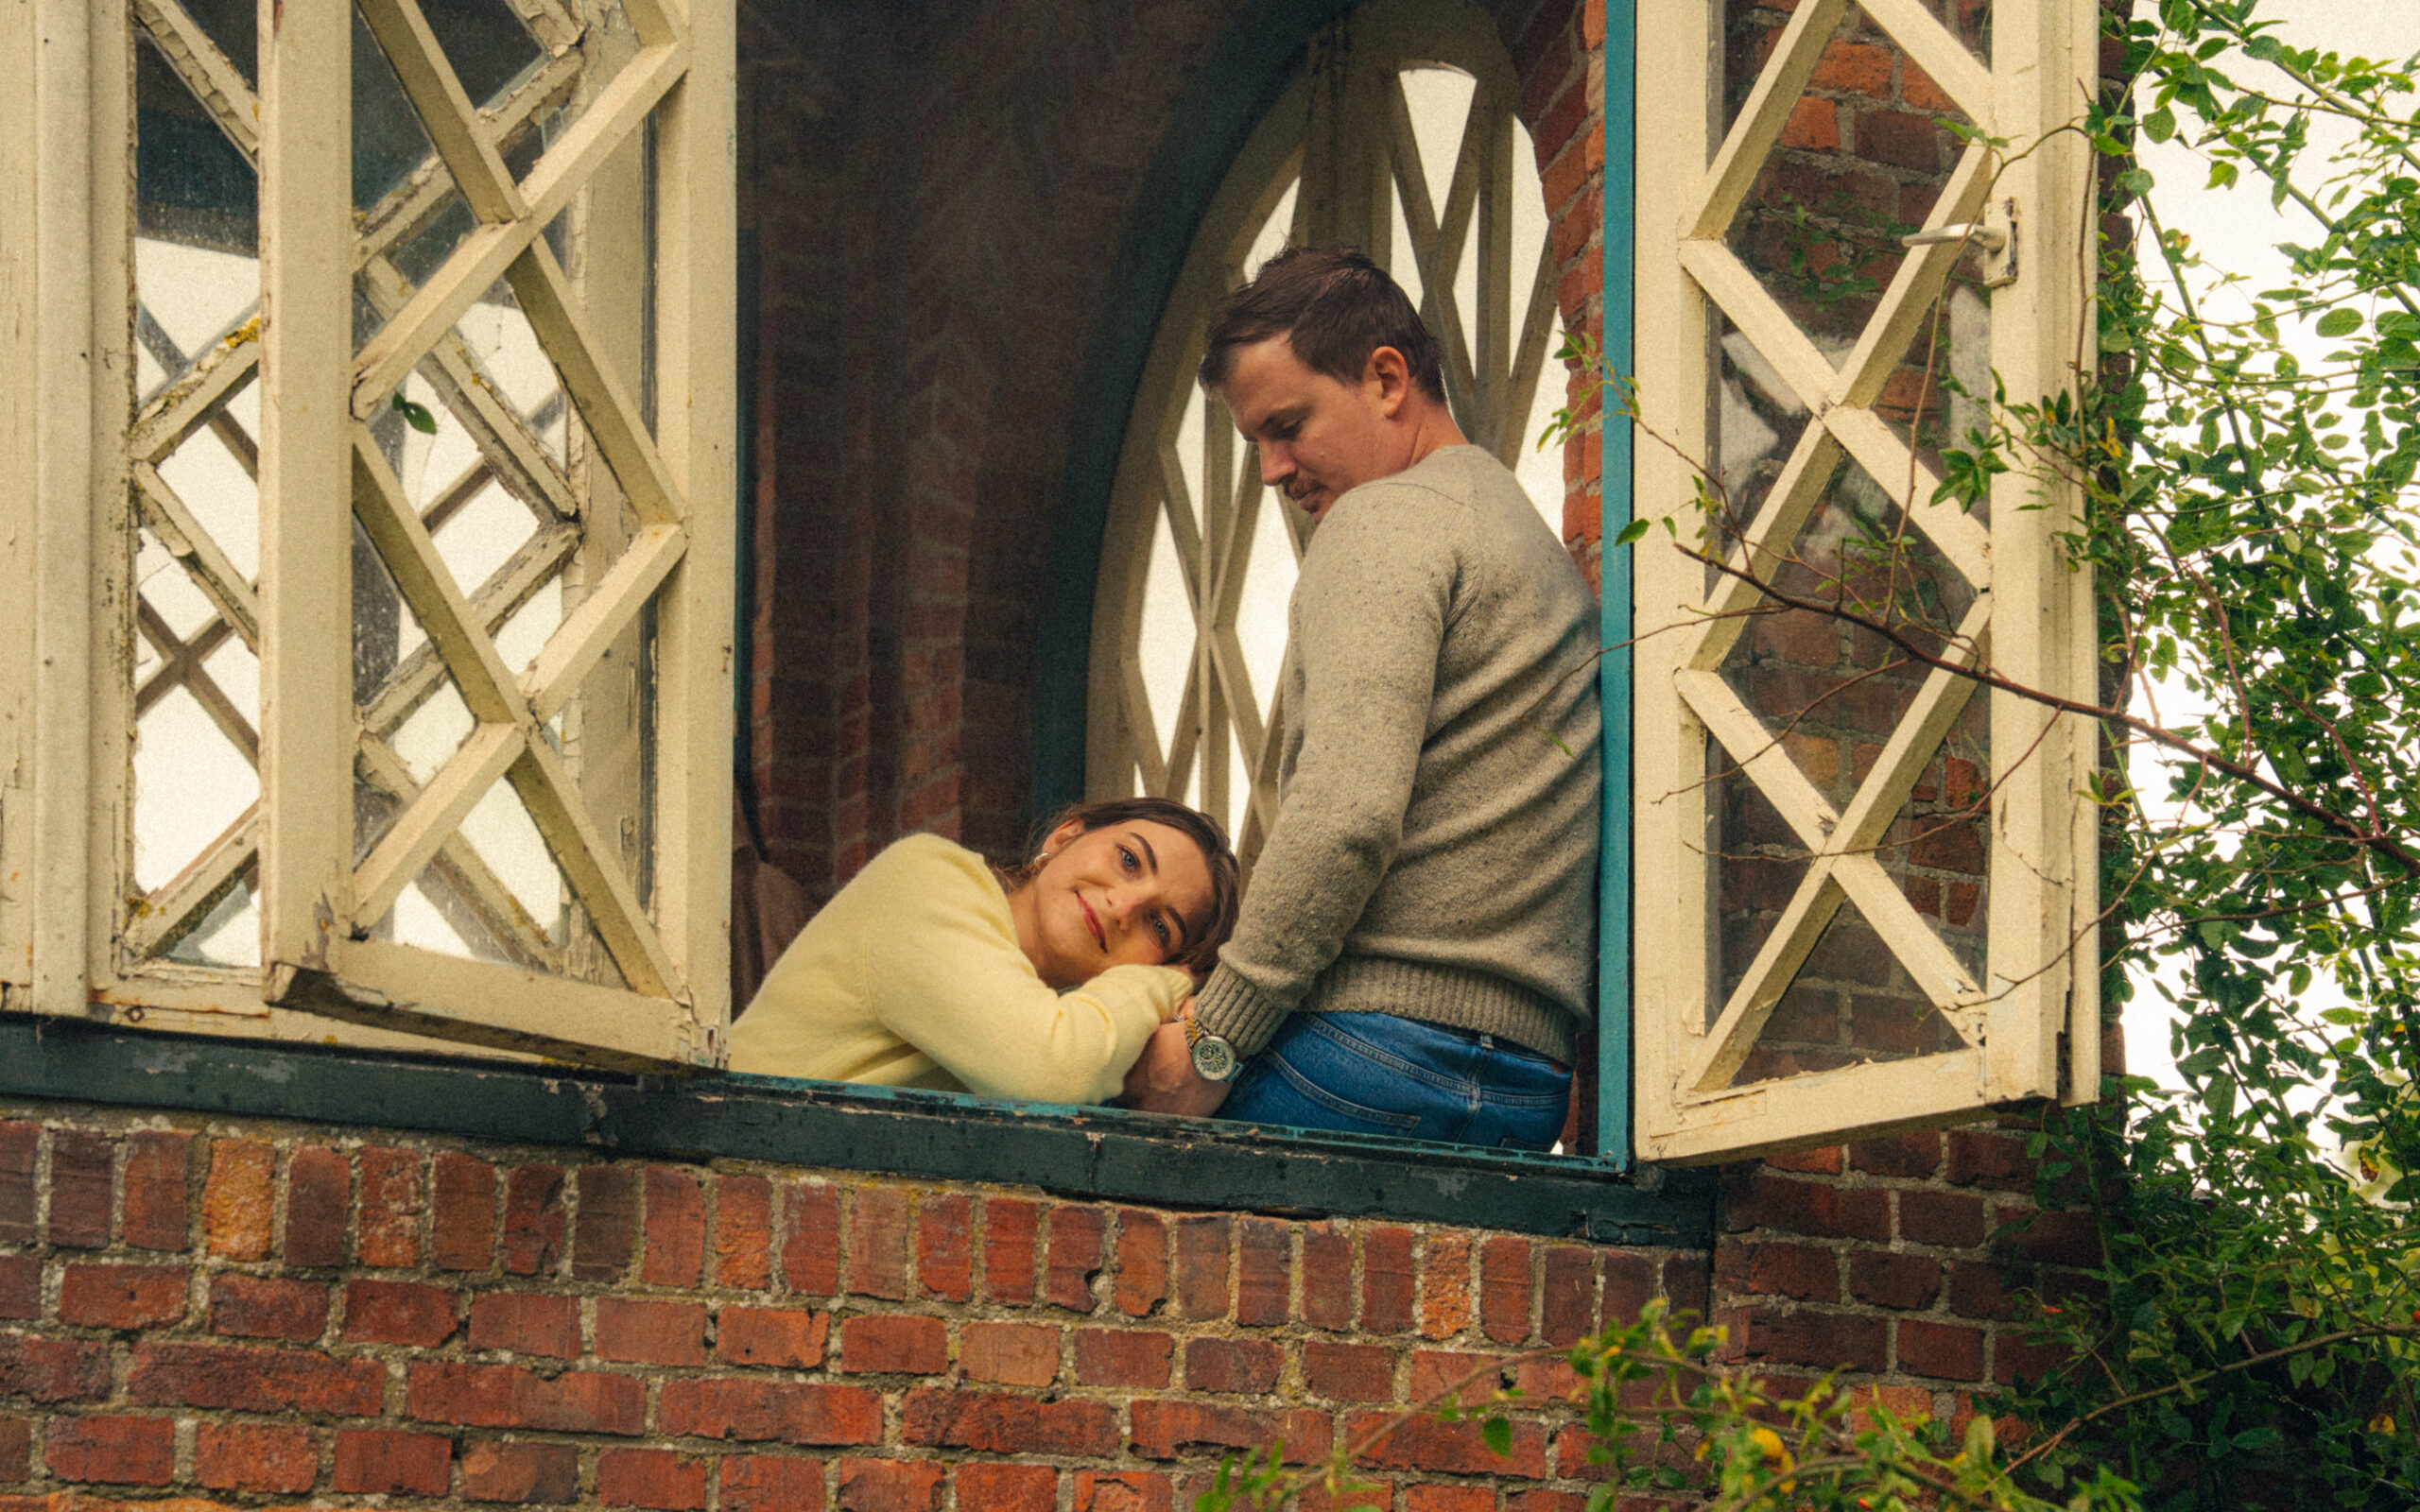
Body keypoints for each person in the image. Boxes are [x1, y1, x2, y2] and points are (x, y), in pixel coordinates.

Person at [1121, 247, 1600, 1149]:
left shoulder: (1381, 522)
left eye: (1288, 425)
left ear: (1387, 378)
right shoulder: (1519, 535)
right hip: (1523, 1088)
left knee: (1062, 1132)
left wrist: (1213, 1041)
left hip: (1366, 1053)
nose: (1270, 470)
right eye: (1255, 442)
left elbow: (1345, 815)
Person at [730, 799, 1241, 1107]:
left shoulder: (1081, 1028)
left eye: (1158, 926)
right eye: (1128, 859)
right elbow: (1050, 1069)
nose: (1122, 906)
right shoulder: (925, 878)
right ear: (1065, 836)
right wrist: (1171, 983)